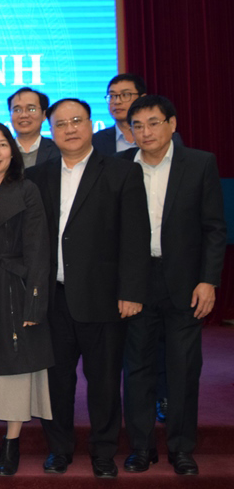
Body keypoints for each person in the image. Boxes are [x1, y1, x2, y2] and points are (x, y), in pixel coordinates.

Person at [27, 98, 151, 478]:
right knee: (57, 382)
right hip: (53, 298)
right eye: (61, 123)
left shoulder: (121, 172)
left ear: (90, 124)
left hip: (103, 297)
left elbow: (135, 238)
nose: (70, 129)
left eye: (77, 121)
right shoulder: (39, 176)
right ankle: (59, 449)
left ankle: (103, 452)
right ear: (52, 130)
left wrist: (131, 292)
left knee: (103, 380)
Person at [120, 95, 226, 476]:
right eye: (138, 125)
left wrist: (208, 280)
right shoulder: (118, 167)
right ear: (129, 130)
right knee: (138, 369)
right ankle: (141, 448)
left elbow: (214, 228)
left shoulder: (199, 164)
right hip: (135, 285)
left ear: (172, 124)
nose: (145, 132)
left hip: (184, 283)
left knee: (183, 369)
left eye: (153, 122)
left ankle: (182, 448)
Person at [0, 122, 54, 476]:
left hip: (15, 288)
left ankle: (12, 443)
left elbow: (38, 250)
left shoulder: (26, 189)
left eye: (2, 145)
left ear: (12, 151)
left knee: (16, 369)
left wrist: (35, 301)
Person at [93, 74, 182, 155]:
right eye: (112, 96)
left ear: (142, 98)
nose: (117, 101)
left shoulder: (170, 138)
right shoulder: (96, 140)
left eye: (126, 95)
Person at [7, 87, 59, 168]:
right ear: (10, 115)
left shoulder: (58, 150)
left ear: (44, 114)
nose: (24, 115)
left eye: (31, 109)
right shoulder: (2, 151)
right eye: (17, 110)